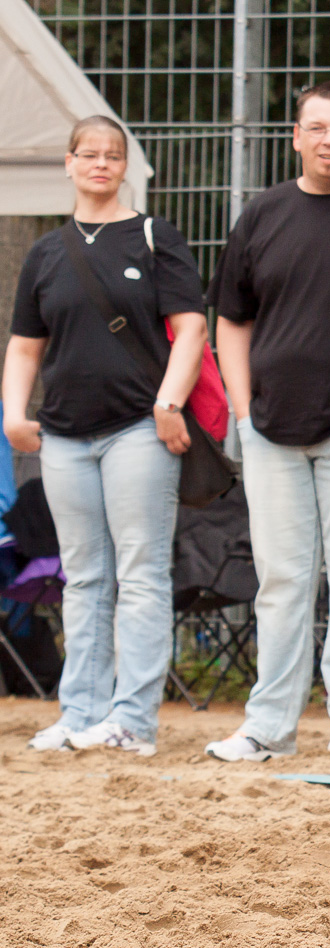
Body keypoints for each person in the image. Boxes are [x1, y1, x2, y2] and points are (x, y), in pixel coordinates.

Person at [202, 83, 330, 762]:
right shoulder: (262, 214)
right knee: (282, 578)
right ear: (295, 135)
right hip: (268, 427)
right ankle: (269, 726)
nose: (328, 140)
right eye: (316, 128)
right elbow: (231, 319)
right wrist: (239, 404)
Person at [4, 115, 208, 757]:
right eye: (88, 154)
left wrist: (169, 403)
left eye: (112, 155)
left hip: (138, 432)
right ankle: (80, 712)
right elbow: (25, 347)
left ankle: (132, 720)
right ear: (68, 163)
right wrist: (15, 414)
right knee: (86, 577)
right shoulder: (45, 253)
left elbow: (192, 330)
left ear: (125, 166)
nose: (99, 164)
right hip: (62, 436)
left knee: (142, 572)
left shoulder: (154, 237)